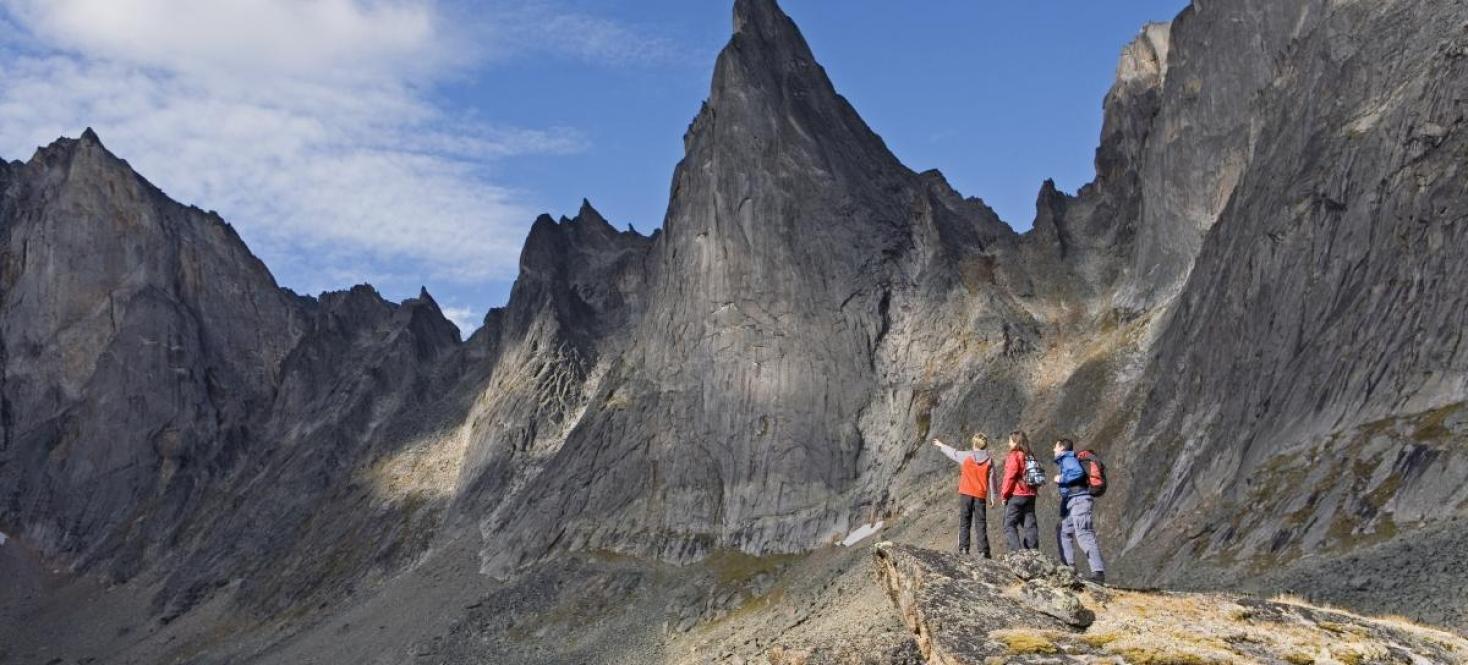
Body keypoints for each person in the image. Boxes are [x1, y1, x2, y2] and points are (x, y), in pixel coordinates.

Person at [931, 433, 997, 558]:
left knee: (965, 522)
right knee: (980, 523)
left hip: (966, 493)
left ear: (973, 444)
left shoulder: (966, 456)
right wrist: (993, 496)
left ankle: (963, 549)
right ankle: (983, 551)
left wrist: (941, 445)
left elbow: (953, 453)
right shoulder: (989, 460)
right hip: (980, 495)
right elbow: (992, 479)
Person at [1053, 438, 1106, 584]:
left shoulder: (1068, 459)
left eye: (1055, 447)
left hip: (1079, 501)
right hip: (1074, 502)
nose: (1053, 450)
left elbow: (1076, 473)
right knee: (1063, 530)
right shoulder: (1067, 459)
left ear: (1062, 448)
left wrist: (1061, 478)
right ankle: (1069, 569)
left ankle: (1098, 573)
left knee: (1084, 535)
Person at [999, 430, 1040, 551]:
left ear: (1015, 441)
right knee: (1030, 524)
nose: (1008, 443)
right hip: (1030, 494)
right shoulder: (1030, 455)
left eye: (1010, 441)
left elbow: (1010, 476)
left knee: (1009, 525)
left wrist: (1004, 495)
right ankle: (1033, 551)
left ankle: (1017, 553)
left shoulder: (1015, 455)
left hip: (1017, 494)